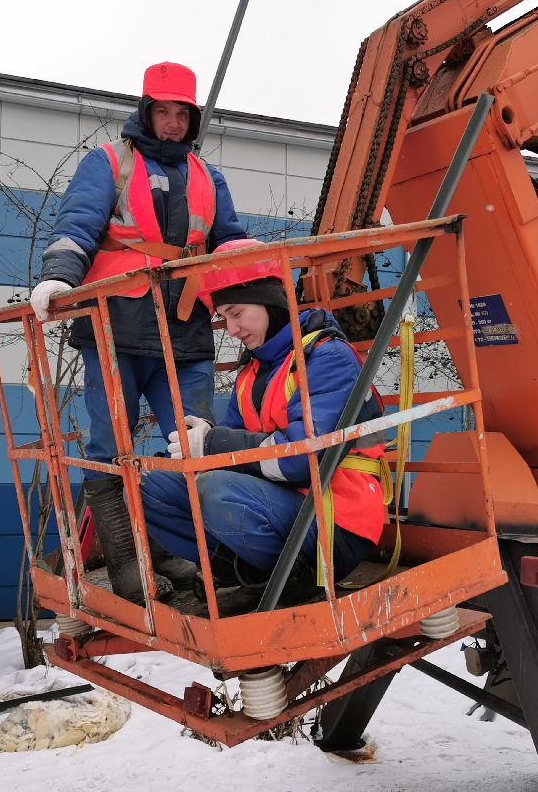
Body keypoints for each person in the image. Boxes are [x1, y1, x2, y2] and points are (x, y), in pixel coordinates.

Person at [28, 61, 256, 604]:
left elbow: (229, 243)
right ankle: (129, 564)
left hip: (186, 329)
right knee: (113, 445)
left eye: (182, 114)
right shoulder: (107, 163)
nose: (172, 123)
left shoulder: (208, 177)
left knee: (195, 439)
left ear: (193, 118)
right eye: (163, 112)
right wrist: (58, 277)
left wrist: (259, 288)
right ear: (145, 111)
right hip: (117, 326)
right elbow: (78, 223)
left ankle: (179, 548)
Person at [139, 275, 389, 615]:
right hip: (282, 505)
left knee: (216, 490)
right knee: (146, 484)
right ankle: (244, 571)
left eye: (237, 313)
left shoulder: (327, 357)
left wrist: (213, 443)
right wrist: (205, 439)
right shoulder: (253, 371)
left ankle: (292, 583)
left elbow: (303, 461)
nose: (231, 328)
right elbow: (235, 444)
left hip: (337, 521)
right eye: (224, 317)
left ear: (270, 303)